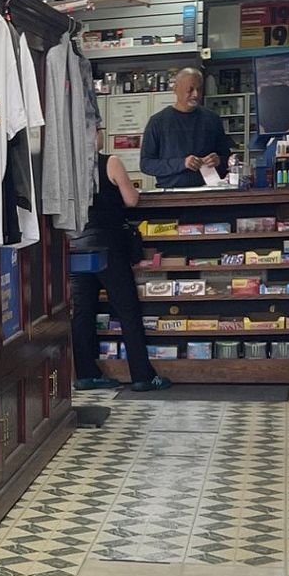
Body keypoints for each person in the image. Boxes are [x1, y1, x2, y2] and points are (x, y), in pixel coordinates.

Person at [71, 140, 170, 392]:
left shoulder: (67, 166)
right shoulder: (110, 162)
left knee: (82, 311)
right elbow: (132, 200)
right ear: (93, 133)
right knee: (127, 309)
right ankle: (142, 376)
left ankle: (86, 374)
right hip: (108, 246)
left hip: (77, 245)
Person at [139, 67, 231, 190]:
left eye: (199, 89)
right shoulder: (158, 122)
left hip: (208, 191)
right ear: (175, 89)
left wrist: (219, 160)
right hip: (171, 192)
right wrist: (182, 163)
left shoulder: (212, 120)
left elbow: (228, 159)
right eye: (190, 89)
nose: (196, 94)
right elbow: (146, 164)